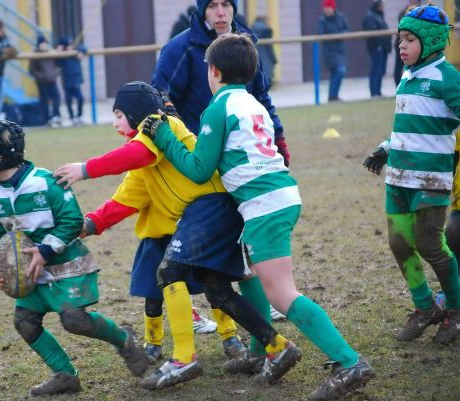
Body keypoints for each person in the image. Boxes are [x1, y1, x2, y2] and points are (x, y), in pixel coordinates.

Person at [143, 33, 375, 400]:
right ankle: (259, 350)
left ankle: (349, 362)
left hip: (265, 204)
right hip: (276, 196)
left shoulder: (217, 107)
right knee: (248, 271)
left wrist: (163, 137)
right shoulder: (252, 103)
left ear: (214, 70)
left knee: (282, 293)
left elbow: (200, 168)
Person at [54, 81, 301, 389]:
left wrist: (85, 169)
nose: (114, 122)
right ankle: (277, 346)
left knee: (170, 272)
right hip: (210, 211)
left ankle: (184, 358)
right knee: (217, 291)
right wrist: (88, 225)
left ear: (136, 113)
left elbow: (133, 156)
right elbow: (124, 200)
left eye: (118, 114)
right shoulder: (144, 158)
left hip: (211, 205)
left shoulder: (160, 127)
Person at [0, 119, 148, 396]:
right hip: (32, 274)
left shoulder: (46, 183)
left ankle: (125, 340)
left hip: (66, 267)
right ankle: (65, 375)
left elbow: (72, 220)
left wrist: (45, 250)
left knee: (74, 321)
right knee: (25, 323)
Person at [364, 5, 460, 346]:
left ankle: (455, 310)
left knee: (430, 243)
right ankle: (424, 307)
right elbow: (406, 124)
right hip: (398, 178)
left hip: (431, 181)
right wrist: (385, 148)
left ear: (431, 41)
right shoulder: (407, 76)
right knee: (399, 243)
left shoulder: (448, 79)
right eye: (399, 39)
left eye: (409, 39)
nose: (401, 46)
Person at [152, 0, 290, 167]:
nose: (220, 12)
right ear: (203, 10)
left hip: (244, 154)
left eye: (226, 4)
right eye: (212, 6)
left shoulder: (247, 45)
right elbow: (160, 101)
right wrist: (185, 144)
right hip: (198, 155)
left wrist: (278, 136)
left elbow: (260, 97)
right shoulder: (178, 49)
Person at [317, 0, 349, 102]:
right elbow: (320, 34)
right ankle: (332, 96)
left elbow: (346, 30)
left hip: (339, 50)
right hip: (329, 51)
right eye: (325, 9)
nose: (326, 10)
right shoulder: (322, 20)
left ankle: (333, 96)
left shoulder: (341, 17)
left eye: (328, 8)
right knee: (340, 70)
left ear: (333, 8)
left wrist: (342, 34)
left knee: (337, 72)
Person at [28, 34, 62, 128]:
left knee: (56, 98)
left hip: (52, 80)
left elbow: (57, 65)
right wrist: (42, 76)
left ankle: (56, 116)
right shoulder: (35, 55)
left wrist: (55, 74)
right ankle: (46, 119)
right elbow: (32, 70)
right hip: (42, 82)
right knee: (44, 101)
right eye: (42, 43)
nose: (44, 45)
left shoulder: (51, 53)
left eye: (45, 43)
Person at [363, 0, 392, 97]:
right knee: (376, 70)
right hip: (376, 48)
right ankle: (374, 92)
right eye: (381, 5)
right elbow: (372, 32)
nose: (382, 7)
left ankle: (378, 92)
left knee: (381, 70)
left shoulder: (379, 16)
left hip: (383, 48)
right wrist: (378, 45)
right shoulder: (370, 16)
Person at [56, 37, 85, 126]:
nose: (70, 47)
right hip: (67, 81)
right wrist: (59, 52)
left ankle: (79, 116)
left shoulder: (76, 52)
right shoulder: (63, 56)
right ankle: (72, 118)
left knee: (80, 98)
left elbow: (84, 47)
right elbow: (57, 63)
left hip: (76, 80)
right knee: (69, 101)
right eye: (68, 45)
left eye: (71, 45)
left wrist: (81, 51)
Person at [394, 0, 422, 86]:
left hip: (414, 43)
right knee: (400, 66)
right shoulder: (404, 12)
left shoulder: (421, 12)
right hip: (402, 42)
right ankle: (399, 86)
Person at [251, 16, 277, 86]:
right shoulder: (266, 30)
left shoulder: (250, 30)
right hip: (266, 59)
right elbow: (270, 48)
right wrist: (274, 59)